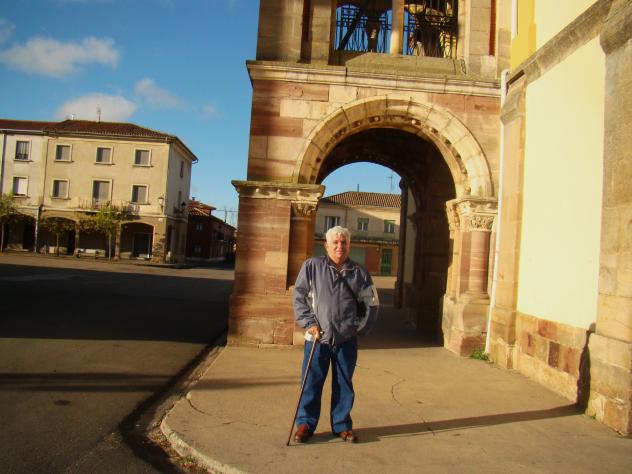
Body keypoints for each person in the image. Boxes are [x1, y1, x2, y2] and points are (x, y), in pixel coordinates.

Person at [292, 225, 379, 443]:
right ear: (326, 245)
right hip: (317, 338)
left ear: (349, 245)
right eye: (336, 242)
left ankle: (342, 425)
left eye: (344, 242)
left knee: (343, 383)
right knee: (311, 382)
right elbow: (299, 297)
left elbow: (372, 302)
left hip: (346, 339)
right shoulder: (312, 266)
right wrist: (309, 323)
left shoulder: (359, 272)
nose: (340, 246)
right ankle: (305, 424)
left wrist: (358, 328)